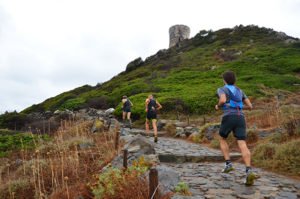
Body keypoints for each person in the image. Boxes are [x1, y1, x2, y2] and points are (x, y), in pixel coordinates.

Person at [215, 71, 256, 186]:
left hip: (229, 116)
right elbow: (250, 106)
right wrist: (239, 107)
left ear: (224, 80)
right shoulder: (240, 90)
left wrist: (218, 106)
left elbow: (222, 100)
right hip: (240, 117)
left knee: (222, 138)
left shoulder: (222, 89)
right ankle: (248, 170)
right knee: (242, 143)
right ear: (234, 80)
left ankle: (228, 164)